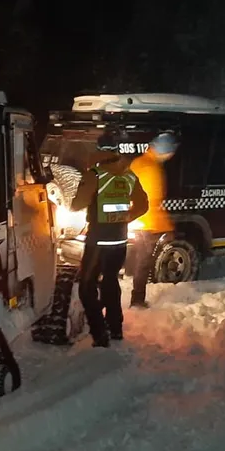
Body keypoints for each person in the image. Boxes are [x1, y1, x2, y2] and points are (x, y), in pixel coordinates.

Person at [69, 133, 149, 347]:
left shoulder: (95, 175)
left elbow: (76, 205)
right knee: (111, 282)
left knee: (86, 287)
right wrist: (124, 218)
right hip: (119, 240)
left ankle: (99, 333)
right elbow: (143, 205)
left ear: (99, 150)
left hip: (98, 241)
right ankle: (115, 329)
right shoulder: (129, 176)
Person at [128, 132, 178, 308]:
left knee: (138, 262)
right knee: (143, 263)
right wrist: (167, 227)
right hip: (146, 223)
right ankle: (137, 300)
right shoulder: (153, 169)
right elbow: (153, 202)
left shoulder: (138, 162)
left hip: (133, 219)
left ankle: (136, 298)